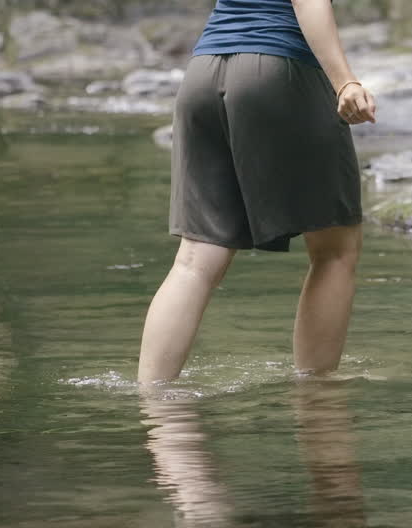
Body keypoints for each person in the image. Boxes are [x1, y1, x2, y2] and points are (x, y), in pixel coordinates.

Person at [137, 0, 377, 385]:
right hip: (279, 67)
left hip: (204, 73)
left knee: (194, 260)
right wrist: (345, 81)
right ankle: (317, 400)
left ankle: (154, 412)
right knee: (334, 249)